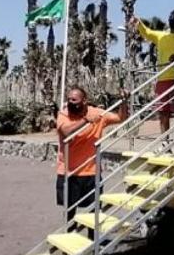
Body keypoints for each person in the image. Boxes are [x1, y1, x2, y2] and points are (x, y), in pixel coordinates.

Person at [55, 86, 130, 221]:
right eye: (69, 99)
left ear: (84, 101)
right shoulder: (64, 114)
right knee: (70, 210)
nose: (70, 102)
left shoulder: (96, 113)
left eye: (74, 100)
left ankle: (92, 239)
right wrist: (86, 120)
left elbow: (120, 117)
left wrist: (124, 101)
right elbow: (66, 132)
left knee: (94, 210)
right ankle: (70, 235)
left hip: (91, 172)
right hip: (69, 171)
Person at [134, 11, 174, 133]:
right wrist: (139, 24)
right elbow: (147, 33)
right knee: (163, 112)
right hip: (162, 79)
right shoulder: (162, 36)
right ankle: (166, 140)